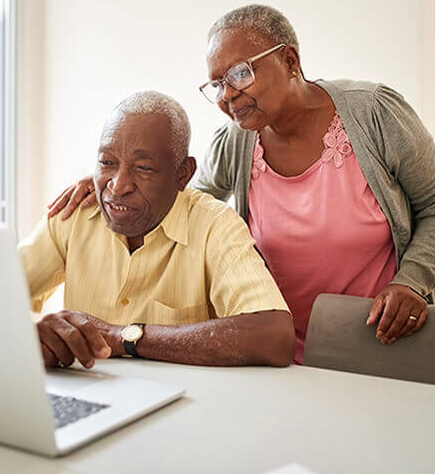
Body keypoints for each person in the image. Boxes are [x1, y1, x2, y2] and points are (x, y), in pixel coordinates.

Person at [49, 5, 435, 364]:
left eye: (240, 74)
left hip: (378, 339)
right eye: (217, 84)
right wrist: (117, 174)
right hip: (272, 349)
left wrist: (412, 281)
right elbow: (184, 198)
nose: (228, 95)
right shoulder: (237, 141)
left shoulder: (374, 114)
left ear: (290, 60)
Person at [19, 90, 294, 370]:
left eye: (143, 168)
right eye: (106, 163)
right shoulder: (72, 215)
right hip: (89, 398)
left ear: (183, 174)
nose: (117, 185)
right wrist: (39, 329)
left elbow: (274, 336)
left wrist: (124, 337)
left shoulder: (215, 225)